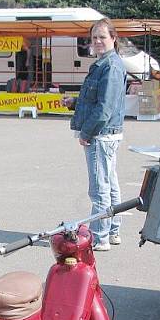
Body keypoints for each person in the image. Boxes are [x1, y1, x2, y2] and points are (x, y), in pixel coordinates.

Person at [62, 18, 126, 252]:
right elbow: (98, 101)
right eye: (94, 37)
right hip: (107, 134)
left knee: (99, 188)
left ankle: (100, 237)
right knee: (110, 184)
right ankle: (113, 230)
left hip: (101, 135)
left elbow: (104, 108)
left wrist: (86, 133)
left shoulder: (110, 66)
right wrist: (75, 103)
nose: (98, 41)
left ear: (113, 38)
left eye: (102, 37)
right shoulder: (107, 64)